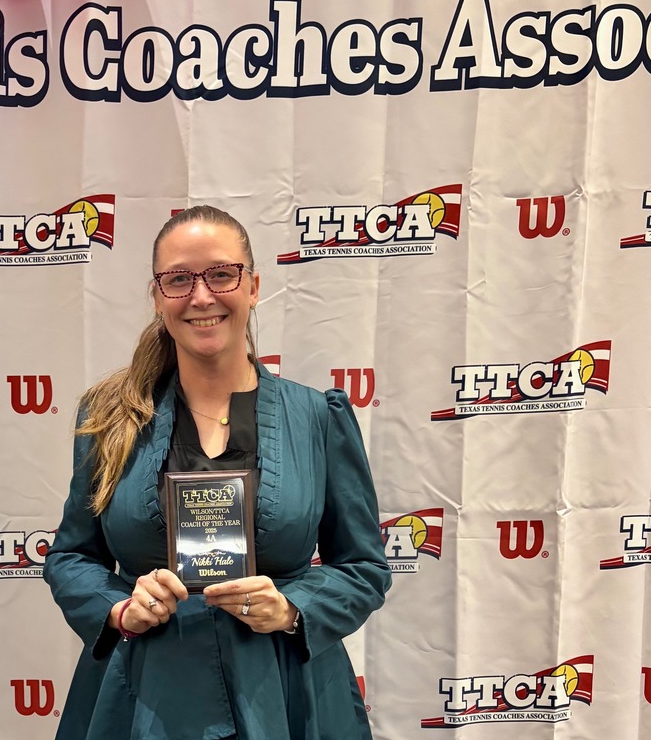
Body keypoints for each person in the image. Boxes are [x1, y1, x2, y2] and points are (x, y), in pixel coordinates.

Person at [44, 205, 391, 739]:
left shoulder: (318, 419)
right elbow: (72, 556)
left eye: (221, 274)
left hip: (287, 695)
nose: (201, 296)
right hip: (142, 697)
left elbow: (363, 567)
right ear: (159, 297)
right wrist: (118, 609)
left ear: (252, 286)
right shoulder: (110, 418)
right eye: (179, 279)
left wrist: (293, 608)